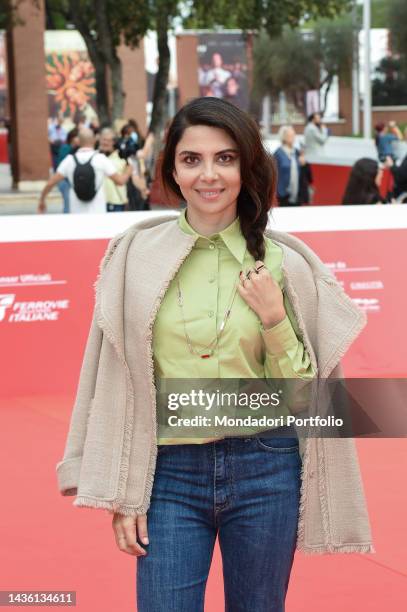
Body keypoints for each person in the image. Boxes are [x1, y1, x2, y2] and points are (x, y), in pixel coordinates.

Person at [56, 97, 374, 612]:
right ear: (172, 170)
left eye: (225, 158)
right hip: (167, 474)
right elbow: (109, 380)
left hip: (266, 467)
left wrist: (274, 319)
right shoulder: (133, 256)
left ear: (246, 166)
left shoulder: (284, 262)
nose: (209, 175)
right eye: (192, 159)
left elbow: (305, 399)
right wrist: (123, 492)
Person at [38, 128, 132, 214]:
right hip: (98, 214)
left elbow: (50, 183)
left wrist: (42, 200)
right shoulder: (101, 159)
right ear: (94, 140)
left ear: (78, 141)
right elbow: (120, 181)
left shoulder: (69, 160)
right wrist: (129, 169)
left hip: (76, 214)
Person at [274, 125, 312, 206]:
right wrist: (278, 191)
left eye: (294, 135)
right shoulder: (278, 154)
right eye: (290, 135)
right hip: (284, 195)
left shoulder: (297, 152)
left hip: (298, 195)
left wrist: (304, 164)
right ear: (283, 137)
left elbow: (308, 176)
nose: (293, 138)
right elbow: (273, 175)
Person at [55, 128, 79, 214]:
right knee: (68, 204)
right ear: (72, 138)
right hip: (65, 180)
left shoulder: (79, 149)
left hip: (74, 181)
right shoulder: (65, 148)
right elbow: (62, 165)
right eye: (77, 137)